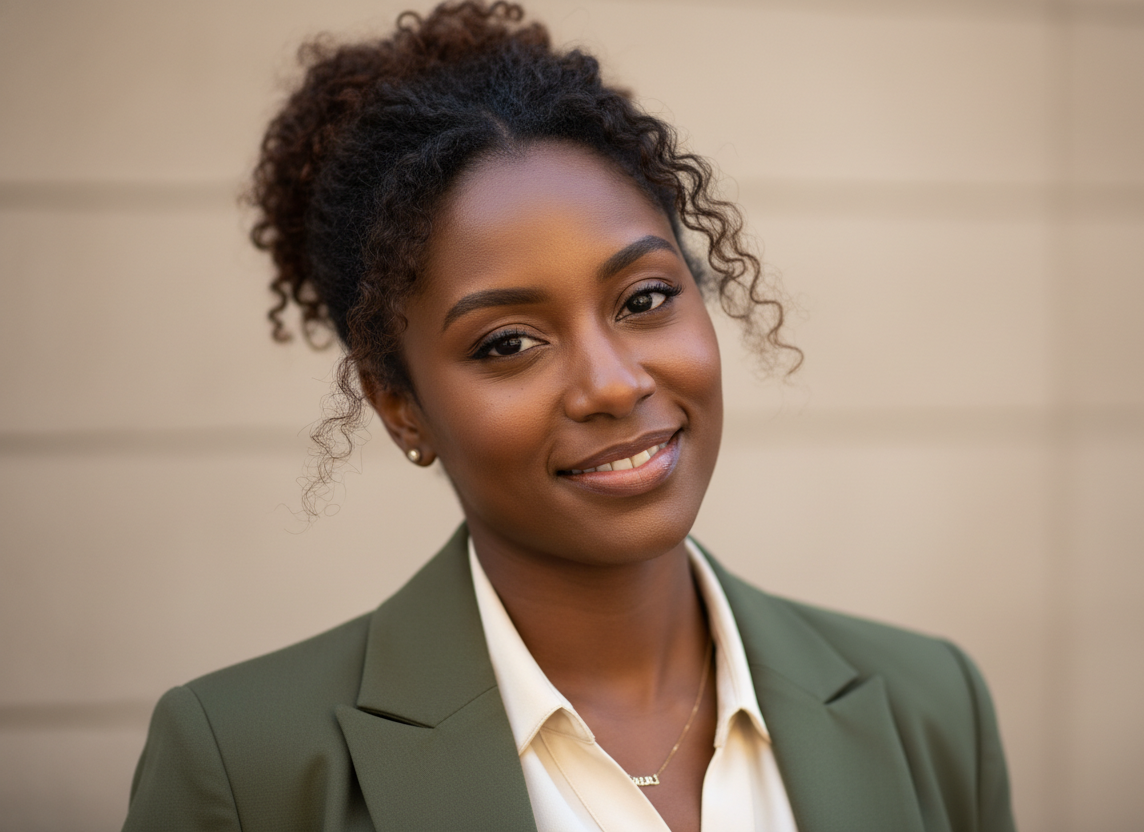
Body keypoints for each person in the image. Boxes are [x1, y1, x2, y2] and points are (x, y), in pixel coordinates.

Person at [122, 3, 1016, 830]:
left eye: (645, 298)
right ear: (401, 408)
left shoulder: (930, 704)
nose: (613, 385)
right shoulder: (246, 766)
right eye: (508, 343)